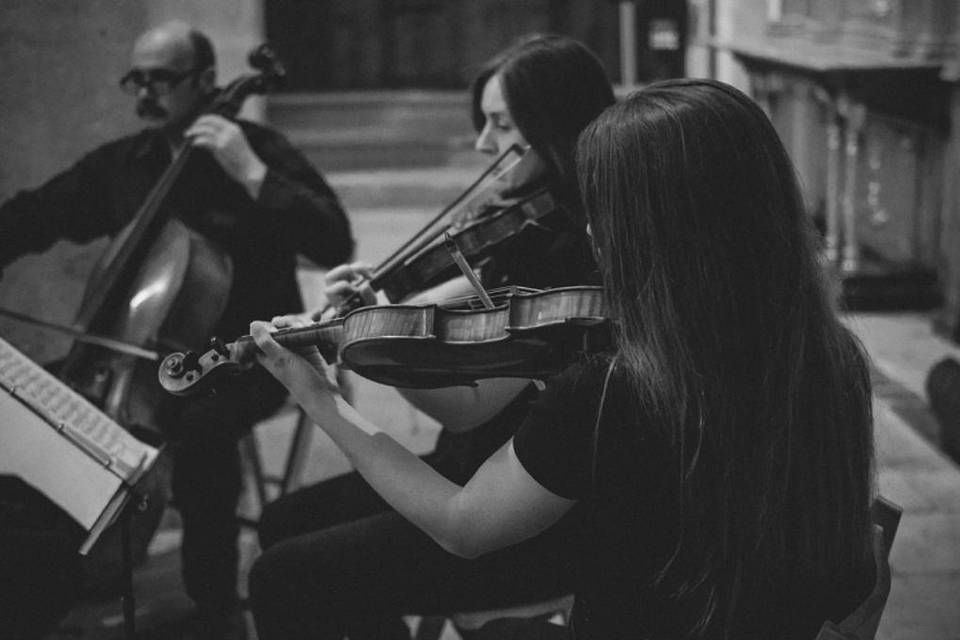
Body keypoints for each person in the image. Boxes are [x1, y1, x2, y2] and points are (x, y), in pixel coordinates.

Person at [249, 78, 877, 639]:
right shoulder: (833, 358)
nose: (589, 231)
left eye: (605, 208)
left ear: (650, 230)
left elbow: (462, 526)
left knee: (288, 577)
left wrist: (320, 399)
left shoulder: (616, 389)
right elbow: (852, 575)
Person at [249, 34, 614, 638]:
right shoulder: (520, 231)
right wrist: (368, 315)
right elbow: (435, 314)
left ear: (553, 126)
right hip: (469, 469)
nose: (482, 144)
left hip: (523, 508)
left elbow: (469, 409)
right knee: (284, 523)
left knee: (283, 574)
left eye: (500, 124)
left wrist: (369, 347)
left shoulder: (571, 262)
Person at [0, 21, 353, 639]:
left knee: (200, 429)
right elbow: (37, 214)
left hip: (245, 360)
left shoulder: (258, 150)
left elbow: (333, 241)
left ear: (207, 82)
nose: (143, 92)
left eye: (160, 79)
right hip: (129, 361)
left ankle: (212, 601)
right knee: (34, 409)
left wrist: (253, 175)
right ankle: (52, 570)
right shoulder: (128, 164)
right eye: (136, 78)